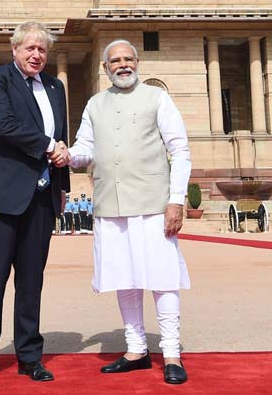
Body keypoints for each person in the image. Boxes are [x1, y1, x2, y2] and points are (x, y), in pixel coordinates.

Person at [68, 39, 192, 385]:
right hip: (111, 204)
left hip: (153, 202)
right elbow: (84, 149)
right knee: (125, 278)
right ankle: (136, 348)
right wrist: (66, 155)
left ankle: (170, 352)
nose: (122, 65)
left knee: (163, 278)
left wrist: (176, 199)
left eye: (128, 59)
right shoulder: (95, 104)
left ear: (137, 63)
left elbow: (180, 150)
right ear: (105, 69)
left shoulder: (157, 97)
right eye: (115, 61)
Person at [0, 22, 70, 385]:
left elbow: (62, 139)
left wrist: (63, 187)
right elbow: (3, 126)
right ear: (15, 49)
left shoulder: (55, 87)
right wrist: (49, 146)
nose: (36, 55)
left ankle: (29, 356)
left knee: (31, 282)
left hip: (41, 198)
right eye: (30, 49)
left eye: (42, 50)